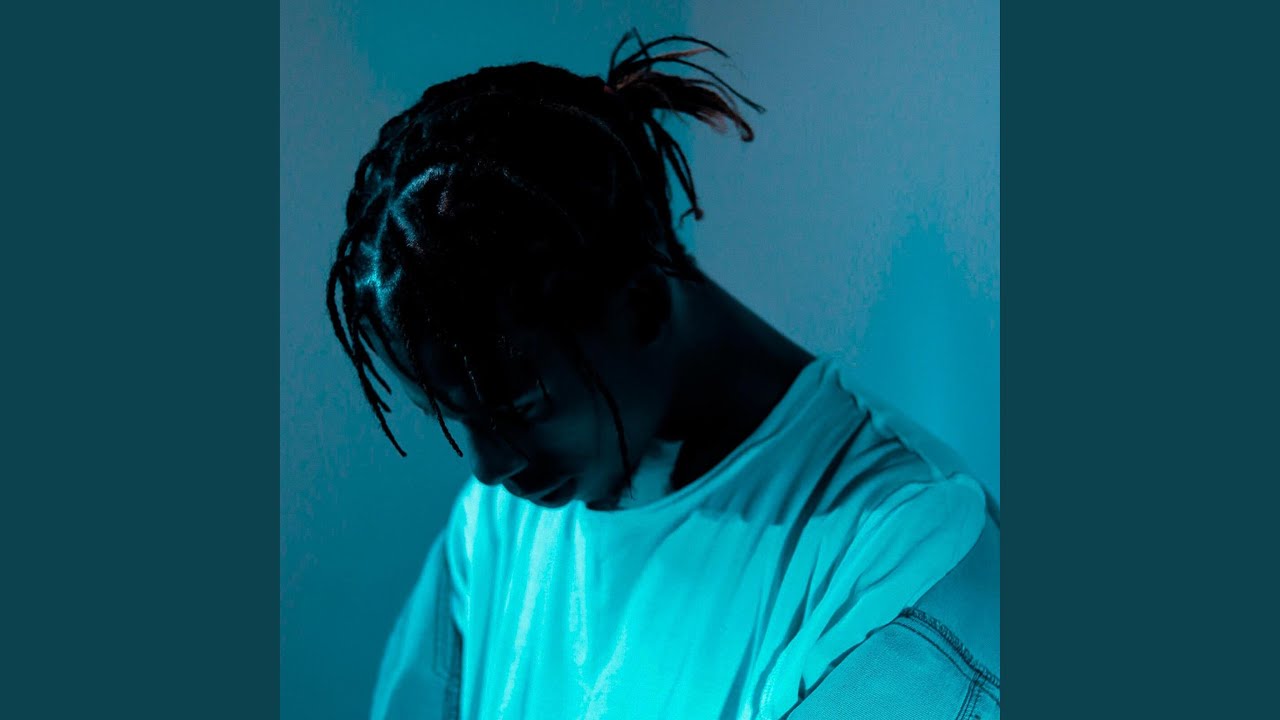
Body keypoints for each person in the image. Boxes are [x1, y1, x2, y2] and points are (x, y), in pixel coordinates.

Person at [327, 30, 1000, 720]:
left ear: (643, 305)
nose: (488, 468)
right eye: (452, 418)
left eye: (520, 407)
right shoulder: (495, 527)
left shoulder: (906, 557)